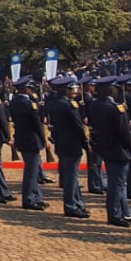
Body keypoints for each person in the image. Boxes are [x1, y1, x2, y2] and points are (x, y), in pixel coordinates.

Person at [89, 76, 131, 227]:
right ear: (109, 90)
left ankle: (125, 212)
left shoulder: (94, 105)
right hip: (118, 149)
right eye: (114, 89)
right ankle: (114, 214)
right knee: (117, 184)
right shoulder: (115, 108)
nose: (116, 92)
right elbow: (124, 133)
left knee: (119, 183)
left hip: (105, 147)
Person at [46, 76, 90, 218]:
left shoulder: (54, 104)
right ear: (66, 90)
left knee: (70, 175)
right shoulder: (69, 105)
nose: (75, 91)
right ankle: (71, 205)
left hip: (61, 142)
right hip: (72, 143)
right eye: (72, 89)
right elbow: (78, 126)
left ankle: (77, 202)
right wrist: (85, 143)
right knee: (72, 176)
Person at [9, 76, 49, 211]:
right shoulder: (29, 103)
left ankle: (36, 196)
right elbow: (36, 123)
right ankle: (29, 198)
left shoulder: (14, 102)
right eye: (30, 88)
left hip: (22, 138)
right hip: (31, 139)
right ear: (26, 89)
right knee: (31, 171)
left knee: (32, 169)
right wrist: (44, 139)